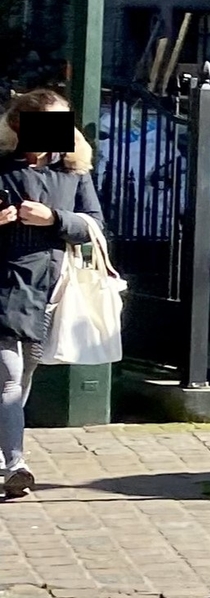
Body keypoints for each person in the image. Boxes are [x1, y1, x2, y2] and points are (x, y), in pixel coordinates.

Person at [0, 90, 105, 501]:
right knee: (8, 378)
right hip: (5, 284)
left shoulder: (74, 171)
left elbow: (93, 226)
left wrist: (54, 218)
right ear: (18, 125)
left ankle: (6, 449)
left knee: (24, 374)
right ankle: (16, 464)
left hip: (50, 289)